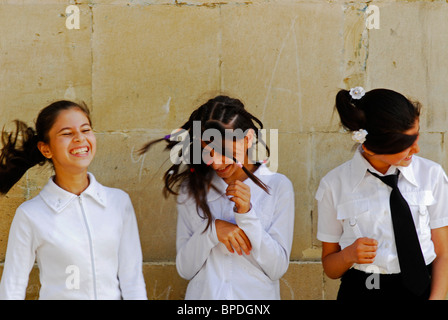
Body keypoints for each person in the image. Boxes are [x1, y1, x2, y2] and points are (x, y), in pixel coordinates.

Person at [139, 95, 294, 299]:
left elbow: (277, 269)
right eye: (207, 151)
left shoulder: (277, 186)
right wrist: (212, 231)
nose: (215, 162)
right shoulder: (192, 190)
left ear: (247, 139)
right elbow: (185, 269)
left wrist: (247, 215)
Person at [0, 100, 147, 300]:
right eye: (67, 133)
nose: (80, 139)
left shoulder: (118, 202)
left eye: (86, 130)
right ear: (46, 149)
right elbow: (12, 288)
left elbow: (133, 282)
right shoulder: (30, 214)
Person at [316, 87, 448, 300]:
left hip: (422, 289)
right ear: (370, 148)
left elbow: (443, 253)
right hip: (363, 289)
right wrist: (349, 255)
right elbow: (330, 268)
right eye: (405, 144)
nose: (416, 149)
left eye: (416, 136)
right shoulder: (334, 185)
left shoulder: (432, 176)